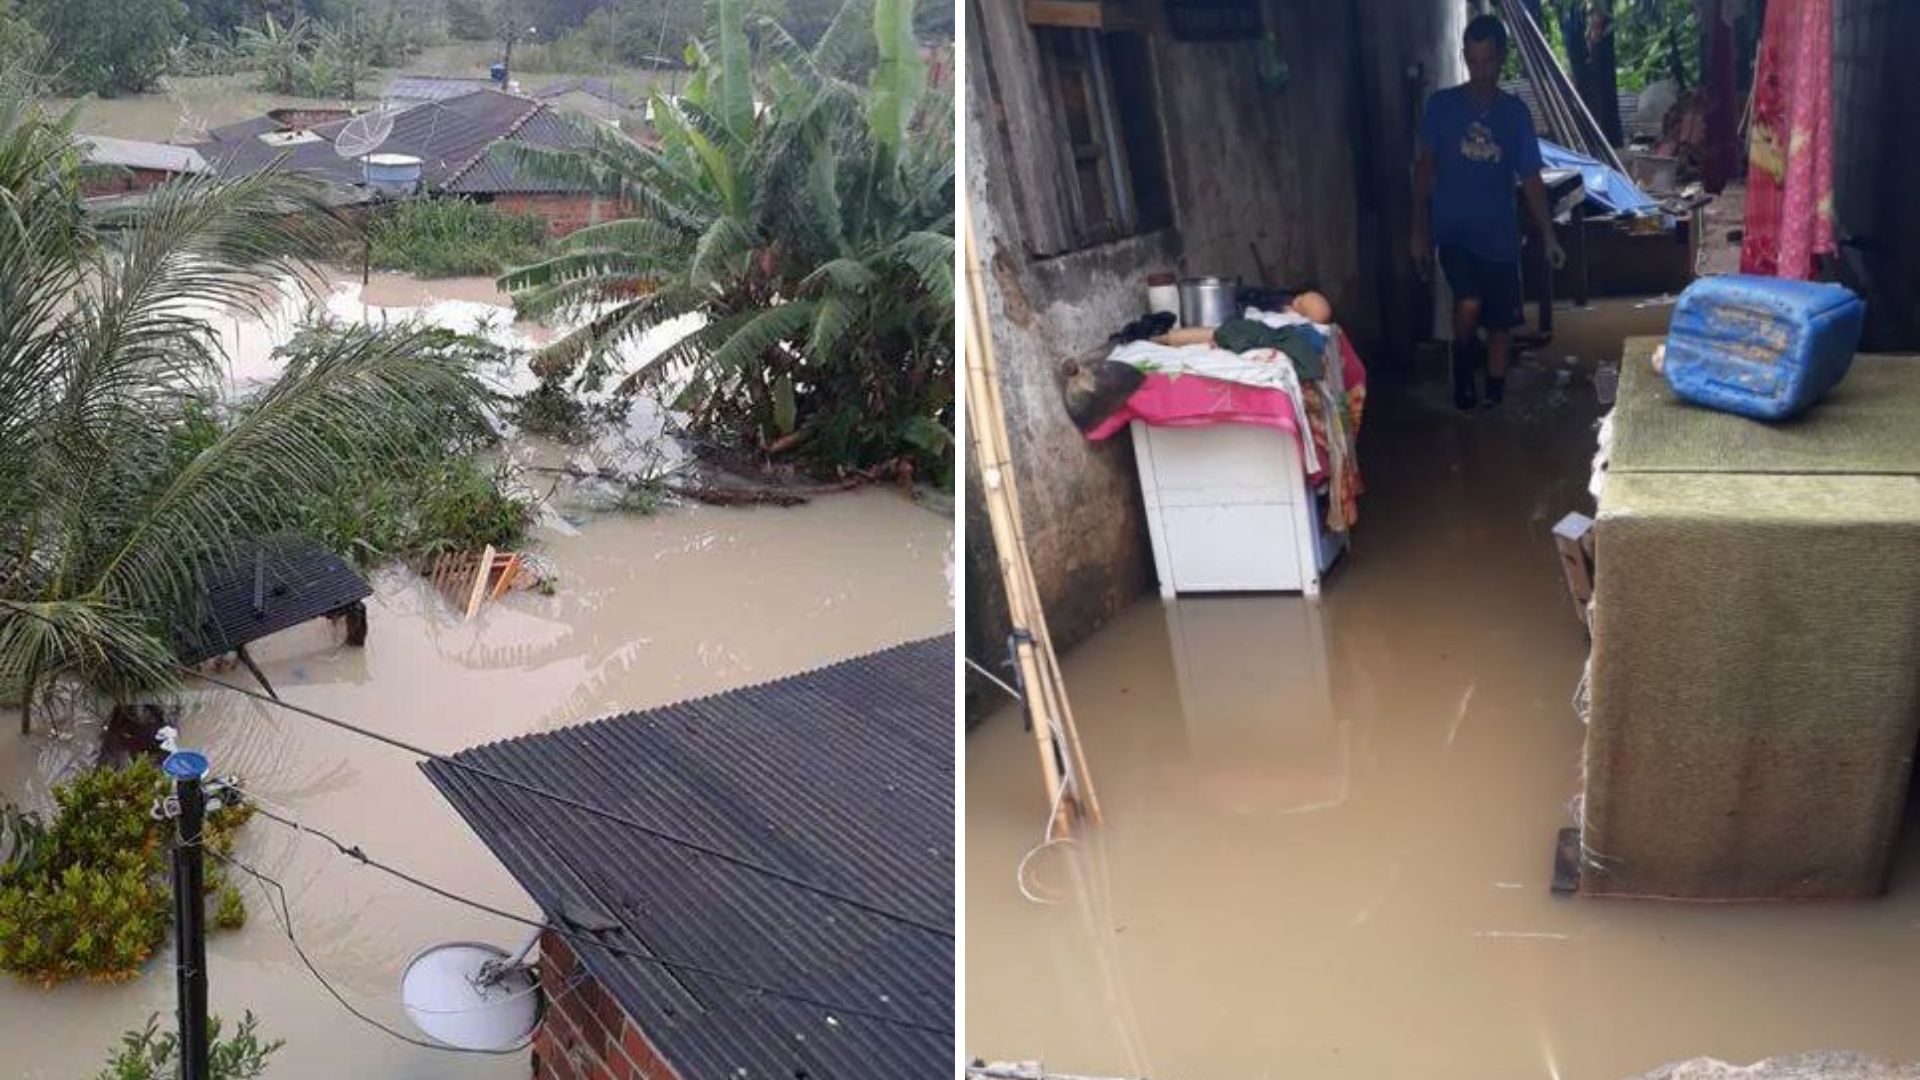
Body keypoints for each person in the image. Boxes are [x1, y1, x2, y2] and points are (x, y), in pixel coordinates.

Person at [1412, 14, 1565, 410]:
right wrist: (1419, 231)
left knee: (1501, 323)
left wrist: (1548, 235)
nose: (1481, 72)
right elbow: (1424, 168)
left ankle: (1494, 397)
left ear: (1501, 60)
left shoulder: (1515, 116)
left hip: (1500, 237)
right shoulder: (1442, 108)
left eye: (1489, 62)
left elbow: (1530, 177)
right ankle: (1464, 365)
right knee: (1468, 302)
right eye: (1473, 62)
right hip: (1454, 232)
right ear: (1464, 58)